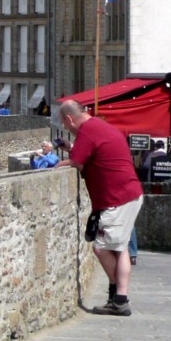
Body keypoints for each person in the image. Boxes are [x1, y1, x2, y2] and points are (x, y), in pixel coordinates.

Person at [57, 99, 143, 316]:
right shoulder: (98, 126)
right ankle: (118, 297)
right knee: (119, 247)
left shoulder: (87, 131)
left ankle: (119, 298)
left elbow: (77, 163)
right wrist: (73, 149)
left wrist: (58, 164)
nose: (67, 129)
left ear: (69, 118)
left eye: (65, 125)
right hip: (127, 194)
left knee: (101, 247)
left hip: (117, 198)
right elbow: (91, 153)